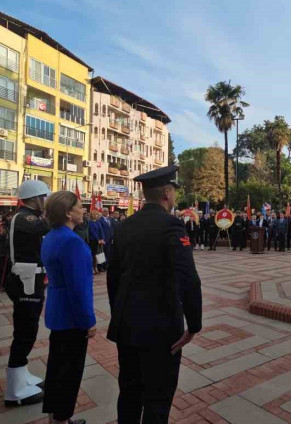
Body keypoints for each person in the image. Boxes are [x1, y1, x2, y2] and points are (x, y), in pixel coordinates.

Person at [106, 166, 202, 423]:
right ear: (167, 193)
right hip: (160, 329)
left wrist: (119, 315)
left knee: (129, 393)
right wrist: (194, 325)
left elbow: (113, 277)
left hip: (127, 326)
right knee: (157, 400)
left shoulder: (124, 226)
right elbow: (188, 279)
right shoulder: (172, 225)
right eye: (174, 194)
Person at [41, 192, 95, 424]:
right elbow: (79, 288)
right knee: (69, 372)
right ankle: (62, 419)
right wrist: (88, 320)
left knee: (56, 368)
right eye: (80, 207)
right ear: (67, 213)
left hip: (57, 310)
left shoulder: (52, 236)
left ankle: (55, 417)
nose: (83, 210)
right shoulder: (72, 242)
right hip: (72, 316)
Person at [4, 180, 51, 407]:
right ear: (35, 198)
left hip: (31, 278)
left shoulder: (27, 217)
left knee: (28, 328)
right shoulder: (24, 217)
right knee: (25, 330)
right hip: (25, 280)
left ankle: (21, 374)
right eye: (45, 197)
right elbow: (44, 228)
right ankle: (14, 390)